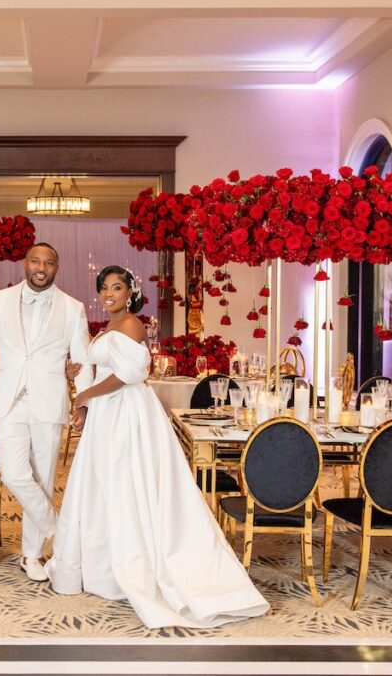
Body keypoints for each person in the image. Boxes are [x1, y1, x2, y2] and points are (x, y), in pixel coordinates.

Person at [45, 266, 269, 629]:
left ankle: (131, 564)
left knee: (125, 484)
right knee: (103, 483)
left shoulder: (131, 324)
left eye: (116, 287)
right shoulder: (110, 326)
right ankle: (103, 563)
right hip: (108, 411)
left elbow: (131, 374)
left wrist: (87, 393)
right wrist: (81, 374)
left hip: (127, 412)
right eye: (104, 288)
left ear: (130, 292)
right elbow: (108, 368)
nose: (108, 293)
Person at [0, 243, 93, 582]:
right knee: (14, 473)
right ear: (25, 264)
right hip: (8, 402)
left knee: (42, 479)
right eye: (35, 261)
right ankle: (59, 530)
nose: (41, 267)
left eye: (49, 263)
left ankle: (32, 555)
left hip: (49, 401)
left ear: (57, 268)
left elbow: (83, 359)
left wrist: (83, 402)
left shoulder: (73, 308)